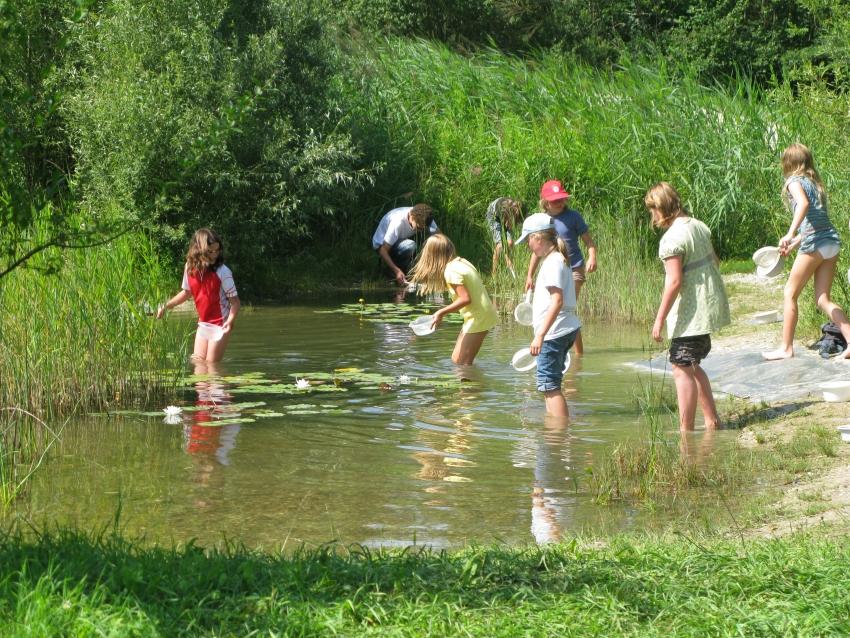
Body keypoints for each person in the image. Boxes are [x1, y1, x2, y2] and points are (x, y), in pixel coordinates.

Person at [645, 182, 730, 431]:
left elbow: (674, 281)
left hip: (691, 312)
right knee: (691, 365)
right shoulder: (698, 225)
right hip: (708, 304)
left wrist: (659, 319)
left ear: (661, 208)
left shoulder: (671, 239)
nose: (652, 216)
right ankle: (712, 421)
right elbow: (715, 260)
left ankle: (686, 431)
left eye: (653, 210)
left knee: (681, 368)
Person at [762, 143, 850, 361]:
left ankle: (786, 348)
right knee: (822, 299)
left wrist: (789, 234)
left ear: (788, 163)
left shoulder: (793, 181)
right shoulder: (815, 184)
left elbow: (802, 205)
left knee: (790, 293)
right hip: (830, 241)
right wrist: (794, 243)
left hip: (815, 243)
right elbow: (816, 219)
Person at [517, 213, 581, 418]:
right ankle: (555, 429)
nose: (528, 245)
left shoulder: (553, 262)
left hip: (554, 333)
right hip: (564, 328)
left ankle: (558, 437)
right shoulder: (558, 258)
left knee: (549, 386)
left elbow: (557, 300)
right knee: (550, 385)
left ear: (538, 238)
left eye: (528, 240)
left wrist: (540, 335)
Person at [525, 180, 597, 355]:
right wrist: (529, 276)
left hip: (575, 269)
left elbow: (589, 242)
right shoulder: (541, 221)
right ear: (544, 201)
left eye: (561, 199)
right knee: (556, 311)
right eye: (554, 200)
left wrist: (592, 257)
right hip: (554, 271)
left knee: (565, 310)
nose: (559, 202)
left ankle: (579, 355)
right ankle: (558, 345)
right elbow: (536, 251)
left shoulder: (573, 217)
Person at [410, 234, 497, 365]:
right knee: (457, 360)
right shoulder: (461, 262)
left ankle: (471, 385)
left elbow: (465, 299)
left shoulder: (451, 271)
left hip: (479, 317)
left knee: (462, 364)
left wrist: (441, 312)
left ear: (432, 256)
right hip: (479, 315)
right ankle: (469, 383)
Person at [157, 228, 240, 362]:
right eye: (210, 251)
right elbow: (187, 292)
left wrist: (230, 322)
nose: (214, 255)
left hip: (221, 324)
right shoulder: (189, 267)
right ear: (198, 249)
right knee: (198, 366)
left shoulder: (223, 272)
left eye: (217, 251)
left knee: (212, 369)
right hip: (203, 324)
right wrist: (166, 306)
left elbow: (235, 302)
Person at [372, 203, 438, 286]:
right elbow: (383, 250)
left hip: (396, 241)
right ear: (412, 217)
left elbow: (439, 237)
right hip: (381, 246)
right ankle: (392, 273)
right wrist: (397, 270)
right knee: (410, 245)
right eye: (419, 227)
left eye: (423, 228)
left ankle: (406, 272)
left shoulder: (425, 216)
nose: (420, 230)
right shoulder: (398, 222)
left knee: (429, 244)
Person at [485, 197, 523, 276]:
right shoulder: (501, 209)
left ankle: (511, 267)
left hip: (506, 215)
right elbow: (504, 222)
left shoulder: (519, 210)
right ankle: (494, 273)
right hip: (493, 216)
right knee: (500, 245)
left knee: (510, 242)